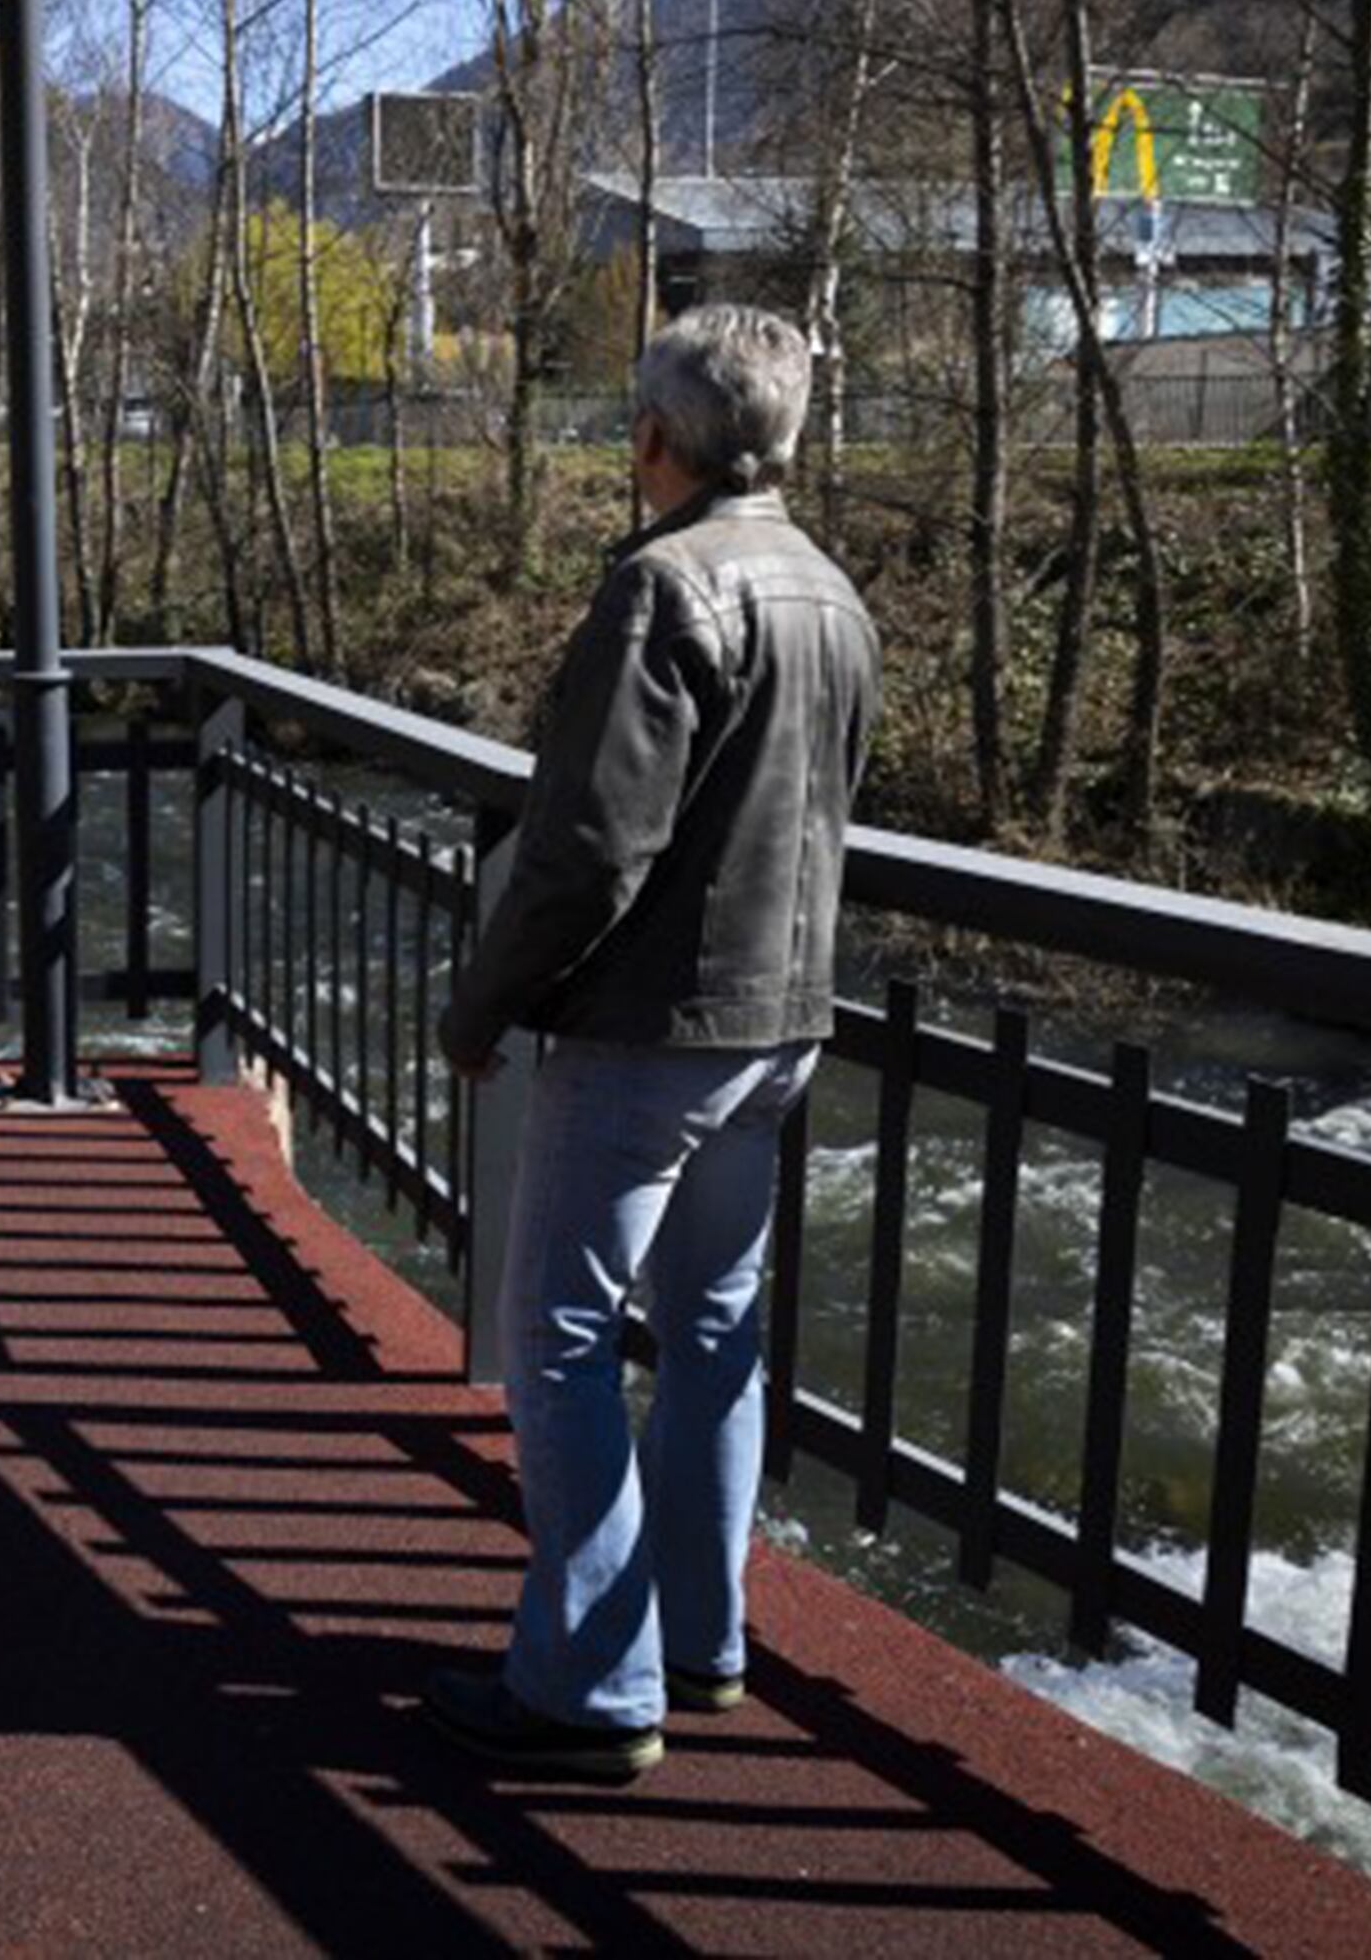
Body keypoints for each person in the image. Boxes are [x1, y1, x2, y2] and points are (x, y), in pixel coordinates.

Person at [422, 303, 880, 1784]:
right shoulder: (827, 589)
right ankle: (702, 1639)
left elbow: (587, 850)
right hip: (782, 1020)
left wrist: (484, 1001)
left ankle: (593, 1683)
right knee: (710, 1331)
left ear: (653, 439)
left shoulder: (660, 591)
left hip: (648, 1030)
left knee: (552, 1335)